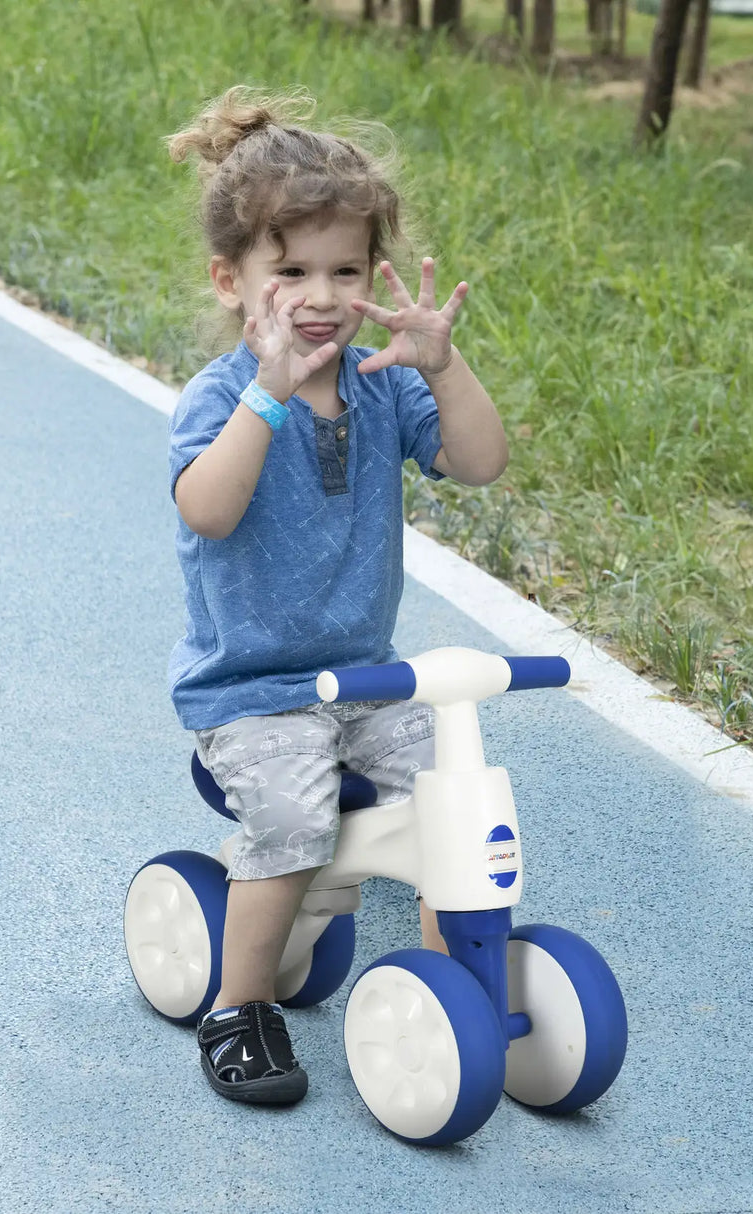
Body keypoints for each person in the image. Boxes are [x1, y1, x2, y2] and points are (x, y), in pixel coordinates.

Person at [165, 86, 509, 1106]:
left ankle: (456, 989)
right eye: (291, 271)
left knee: (451, 785)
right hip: (252, 689)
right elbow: (208, 510)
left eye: (345, 270)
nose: (319, 295)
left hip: (362, 676)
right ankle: (237, 1002)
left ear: (373, 276)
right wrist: (268, 396)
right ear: (234, 282)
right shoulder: (222, 398)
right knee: (292, 814)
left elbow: (480, 461)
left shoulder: (382, 383)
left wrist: (443, 370)